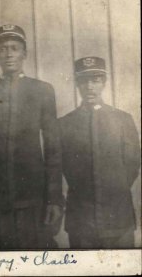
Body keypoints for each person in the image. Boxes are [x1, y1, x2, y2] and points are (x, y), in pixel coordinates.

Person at [0, 24, 63, 250]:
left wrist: (54, 199)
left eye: (14, 48)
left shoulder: (42, 90)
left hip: (33, 199)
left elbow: (53, 148)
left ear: (24, 53)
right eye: (2, 49)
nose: (8, 54)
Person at [59, 56, 140, 249]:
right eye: (84, 81)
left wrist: (113, 186)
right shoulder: (64, 124)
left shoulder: (122, 120)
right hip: (81, 218)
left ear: (104, 82)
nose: (90, 87)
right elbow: (64, 167)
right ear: (77, 84)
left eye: (95, 80)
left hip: (118, 215)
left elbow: (132, 164)